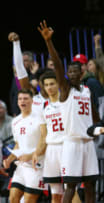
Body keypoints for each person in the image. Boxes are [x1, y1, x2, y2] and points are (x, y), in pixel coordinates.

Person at [38, 20, 99, 203]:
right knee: (70, 186)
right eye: (69, 72)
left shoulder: (87, 90)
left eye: (75, 72)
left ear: (81, 74)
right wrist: (49, 41)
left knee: (91, 185)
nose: (71, 74)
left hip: (88, 142)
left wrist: (99, 128)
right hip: (71, 143)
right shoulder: (65, 90)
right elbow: (57, 64)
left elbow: (95, 117)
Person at [3, 89, 46, 203]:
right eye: (20, 99)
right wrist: (9, 159)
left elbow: (44, 141)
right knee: (12, 198)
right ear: (17, 102)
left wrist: (31, 155)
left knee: (28, 201)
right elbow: (18, 144)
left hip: (36, 166)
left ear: (32, 101)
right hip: (21, 166)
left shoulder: (40, 117)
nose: (23, 101)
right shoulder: (15, 121)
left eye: (26, 98)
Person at [32, 71, 65, 203]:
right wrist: (37, 151)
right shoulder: (43, 107)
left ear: (58, 84)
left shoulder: (66, 102)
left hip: (66, 146)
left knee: (70, 189)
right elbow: (44, 135)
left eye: (52, 84)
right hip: (51, 149)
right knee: (55, 194)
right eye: (46, 85)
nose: (49, 87)